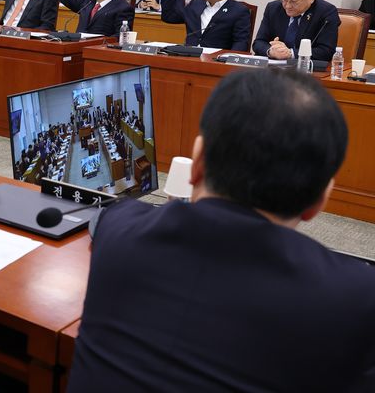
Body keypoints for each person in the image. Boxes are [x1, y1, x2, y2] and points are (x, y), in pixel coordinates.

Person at [68, 68, 375, 392]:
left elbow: (107, 217)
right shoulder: (357, 300)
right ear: (319, 200)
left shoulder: (119, 230)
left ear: (197, 163)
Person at [253, 0, 340, 63]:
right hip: (273, 68)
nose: (287, 6)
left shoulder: (326, 12)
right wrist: (271, 51)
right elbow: (258, 42)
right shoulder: (273, 8)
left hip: (306, 69)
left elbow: (326, 51)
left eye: (293, 1)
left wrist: (291, 53)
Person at [161, 0, 251, 51]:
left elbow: (241, 42)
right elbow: (169, 17)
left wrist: (227, 59)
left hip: (215, 60)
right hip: (189, 56)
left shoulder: (238, 11)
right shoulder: (195, 5)